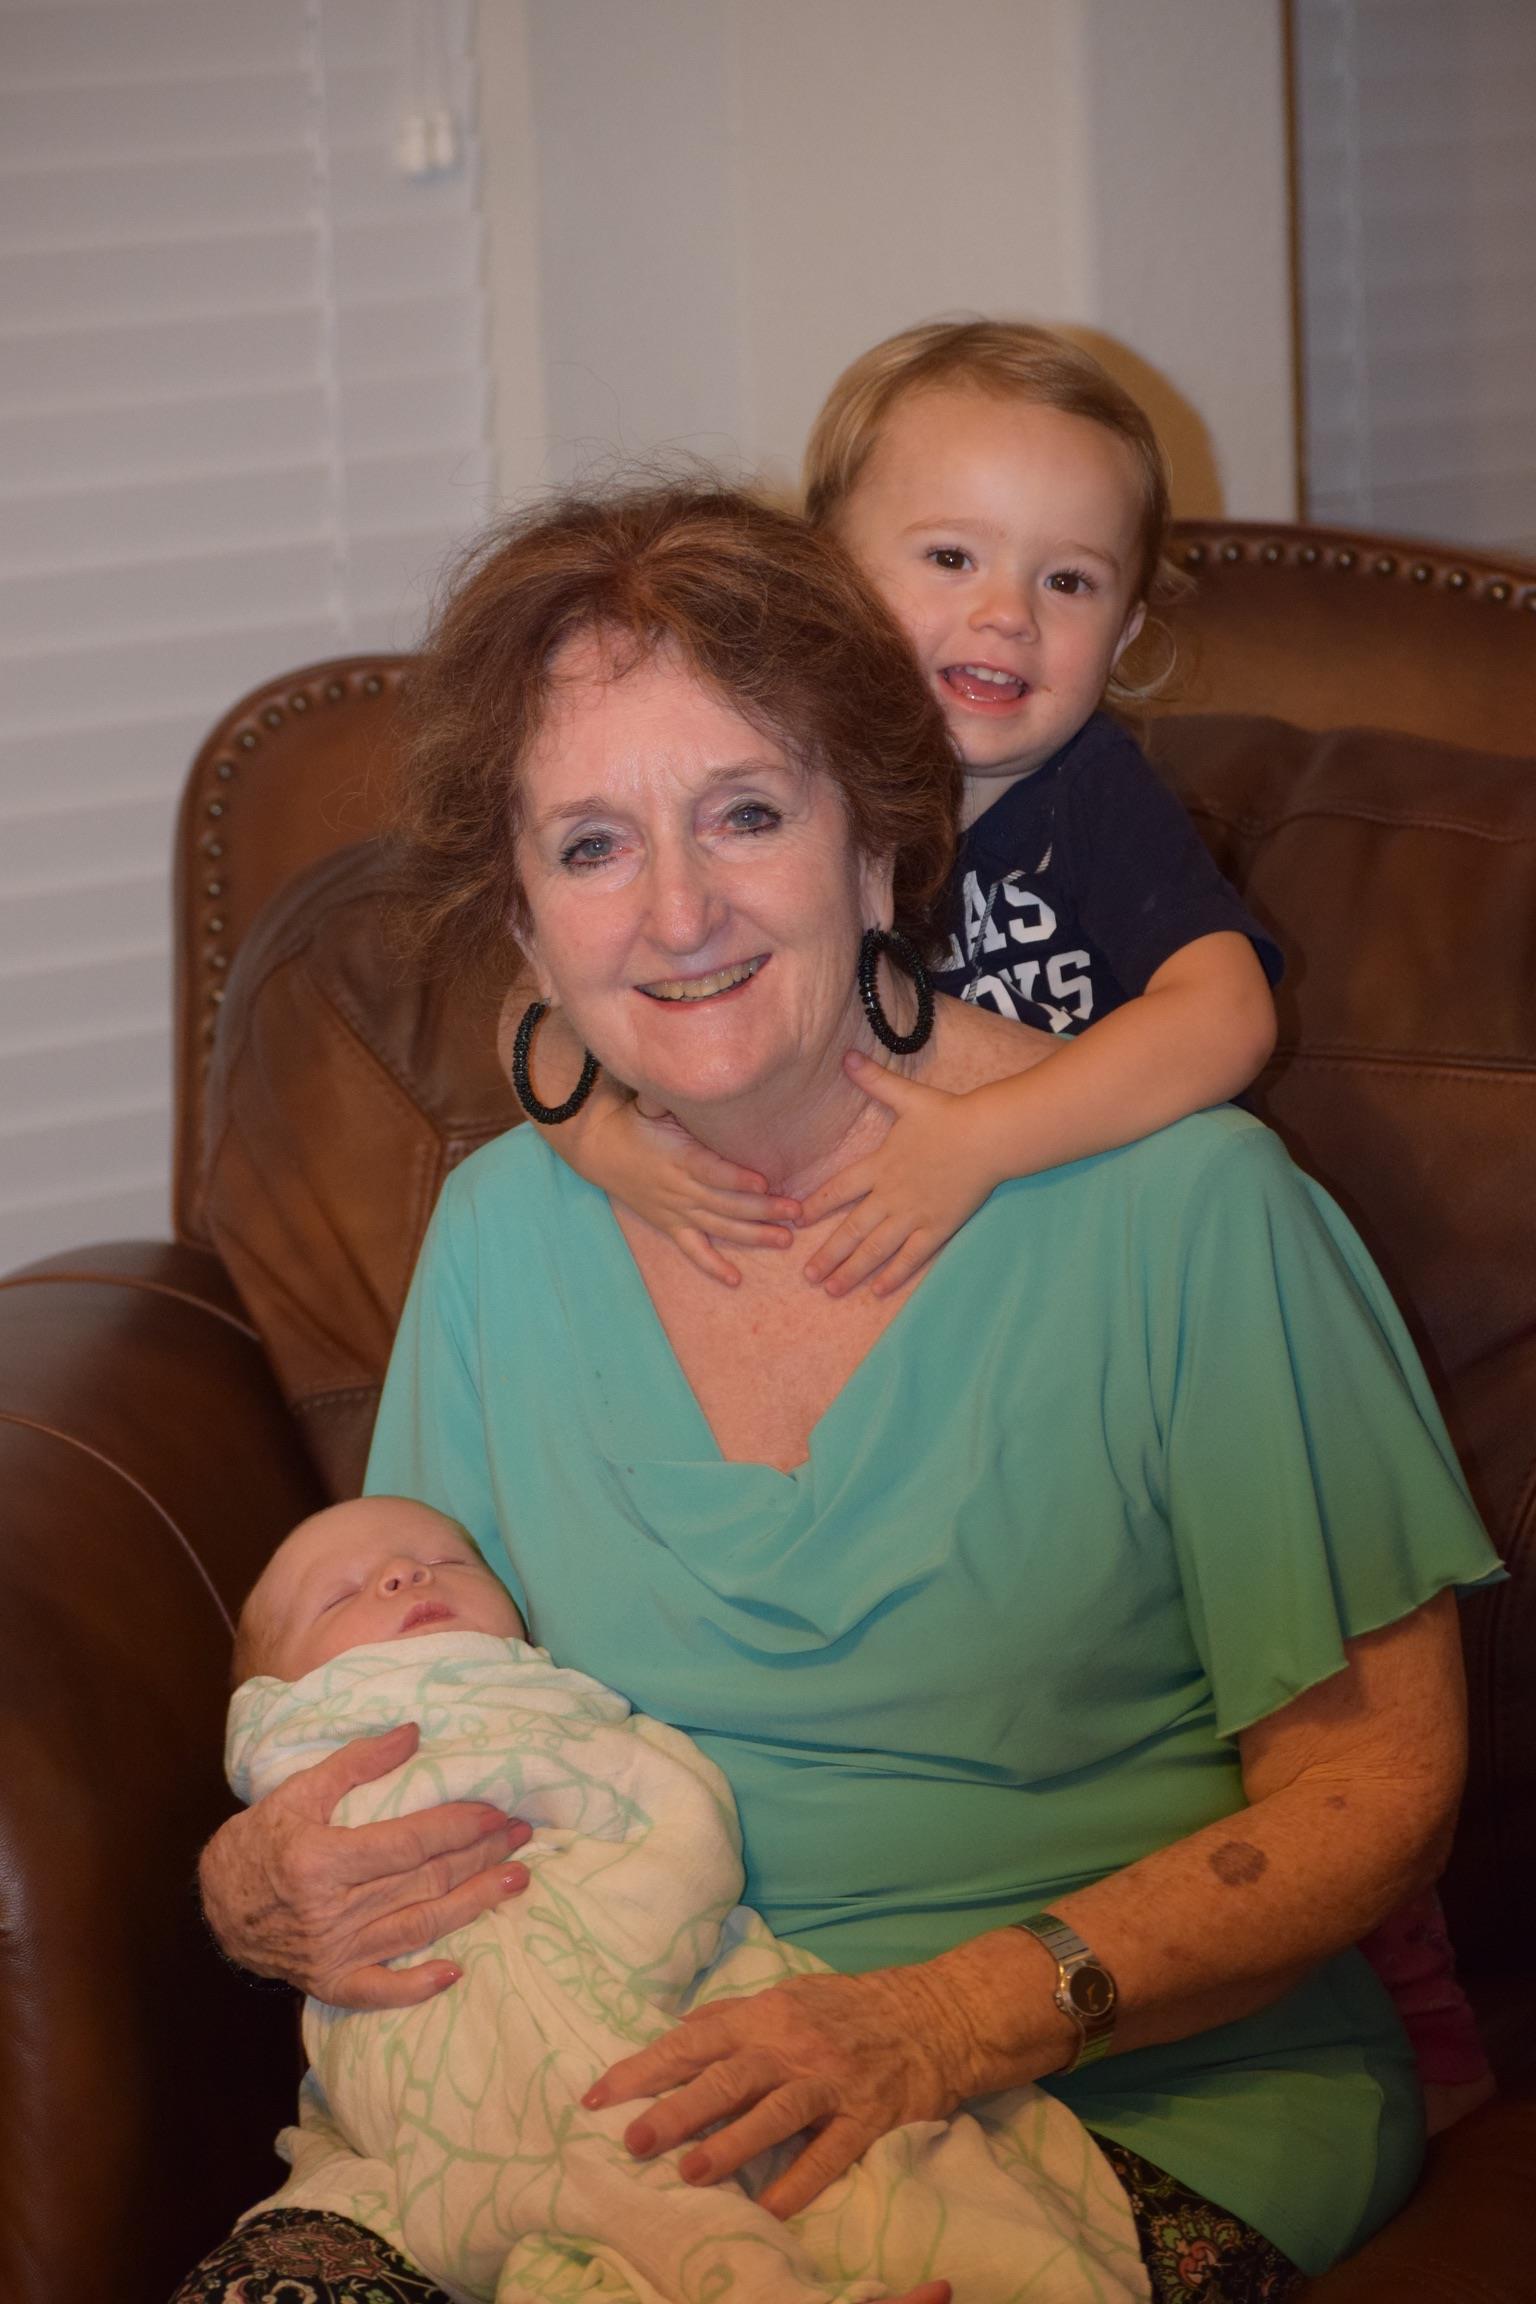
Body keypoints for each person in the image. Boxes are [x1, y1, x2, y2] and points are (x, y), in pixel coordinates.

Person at [189, 480, 1500, 2304]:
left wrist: (942, 2018)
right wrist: (260, 1885)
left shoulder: (1193, 1218)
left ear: (878, 847)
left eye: (744, 813)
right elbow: (403, 1699)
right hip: (606, 2102)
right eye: (590, 845)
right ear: (526, 917)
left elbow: (1380, 1780)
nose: (677, 912)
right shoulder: (499, 1231)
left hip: (1117, 2085)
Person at [226, 1493, 1145, 2304]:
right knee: (594, 2187)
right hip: (439, 2066)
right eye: (343, 1595)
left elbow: (675, 1819)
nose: (403, 1573)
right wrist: (245, 1871)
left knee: (730, 2168)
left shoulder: (559, 1708)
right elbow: (272, 1868)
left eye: (444, 1562)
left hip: (661, 2008)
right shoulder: (302, 1747)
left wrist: (625, 1917)